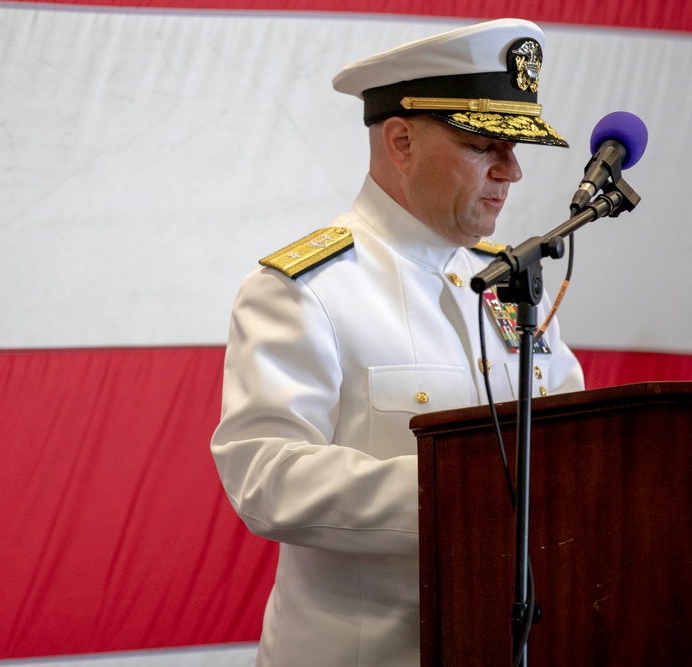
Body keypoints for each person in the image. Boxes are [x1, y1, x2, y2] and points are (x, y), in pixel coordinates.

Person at [211, 18, 585, 666]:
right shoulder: (306, 290)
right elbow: (264, 475)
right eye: (482, 144)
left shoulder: (513, 284)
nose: (513, 170)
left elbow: (579, 436)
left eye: (516, 147)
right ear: (402, 140)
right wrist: (463, 493)